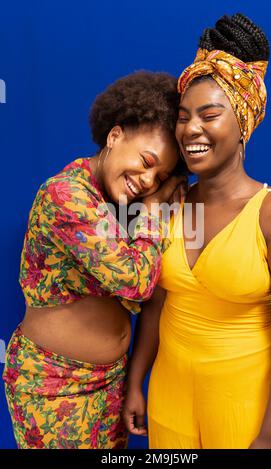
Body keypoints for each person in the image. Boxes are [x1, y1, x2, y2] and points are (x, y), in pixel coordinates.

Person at [123, 14, 271, 449]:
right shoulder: (175, 203)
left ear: (243, 123)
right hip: (170, 403)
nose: (191, 129)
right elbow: (156, 304)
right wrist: (135, 382)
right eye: (183, 117)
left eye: (209, 114)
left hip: (246, 411)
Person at [2, 71, 186, 449]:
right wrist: (153, 211)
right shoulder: (66, 195)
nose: (148, 180)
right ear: (114, 136)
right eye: (147, 160)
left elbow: (144, 297)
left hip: (110, 384)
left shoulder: (120, 204)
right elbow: (135, 280)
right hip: (56, 389)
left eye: (160, 175)